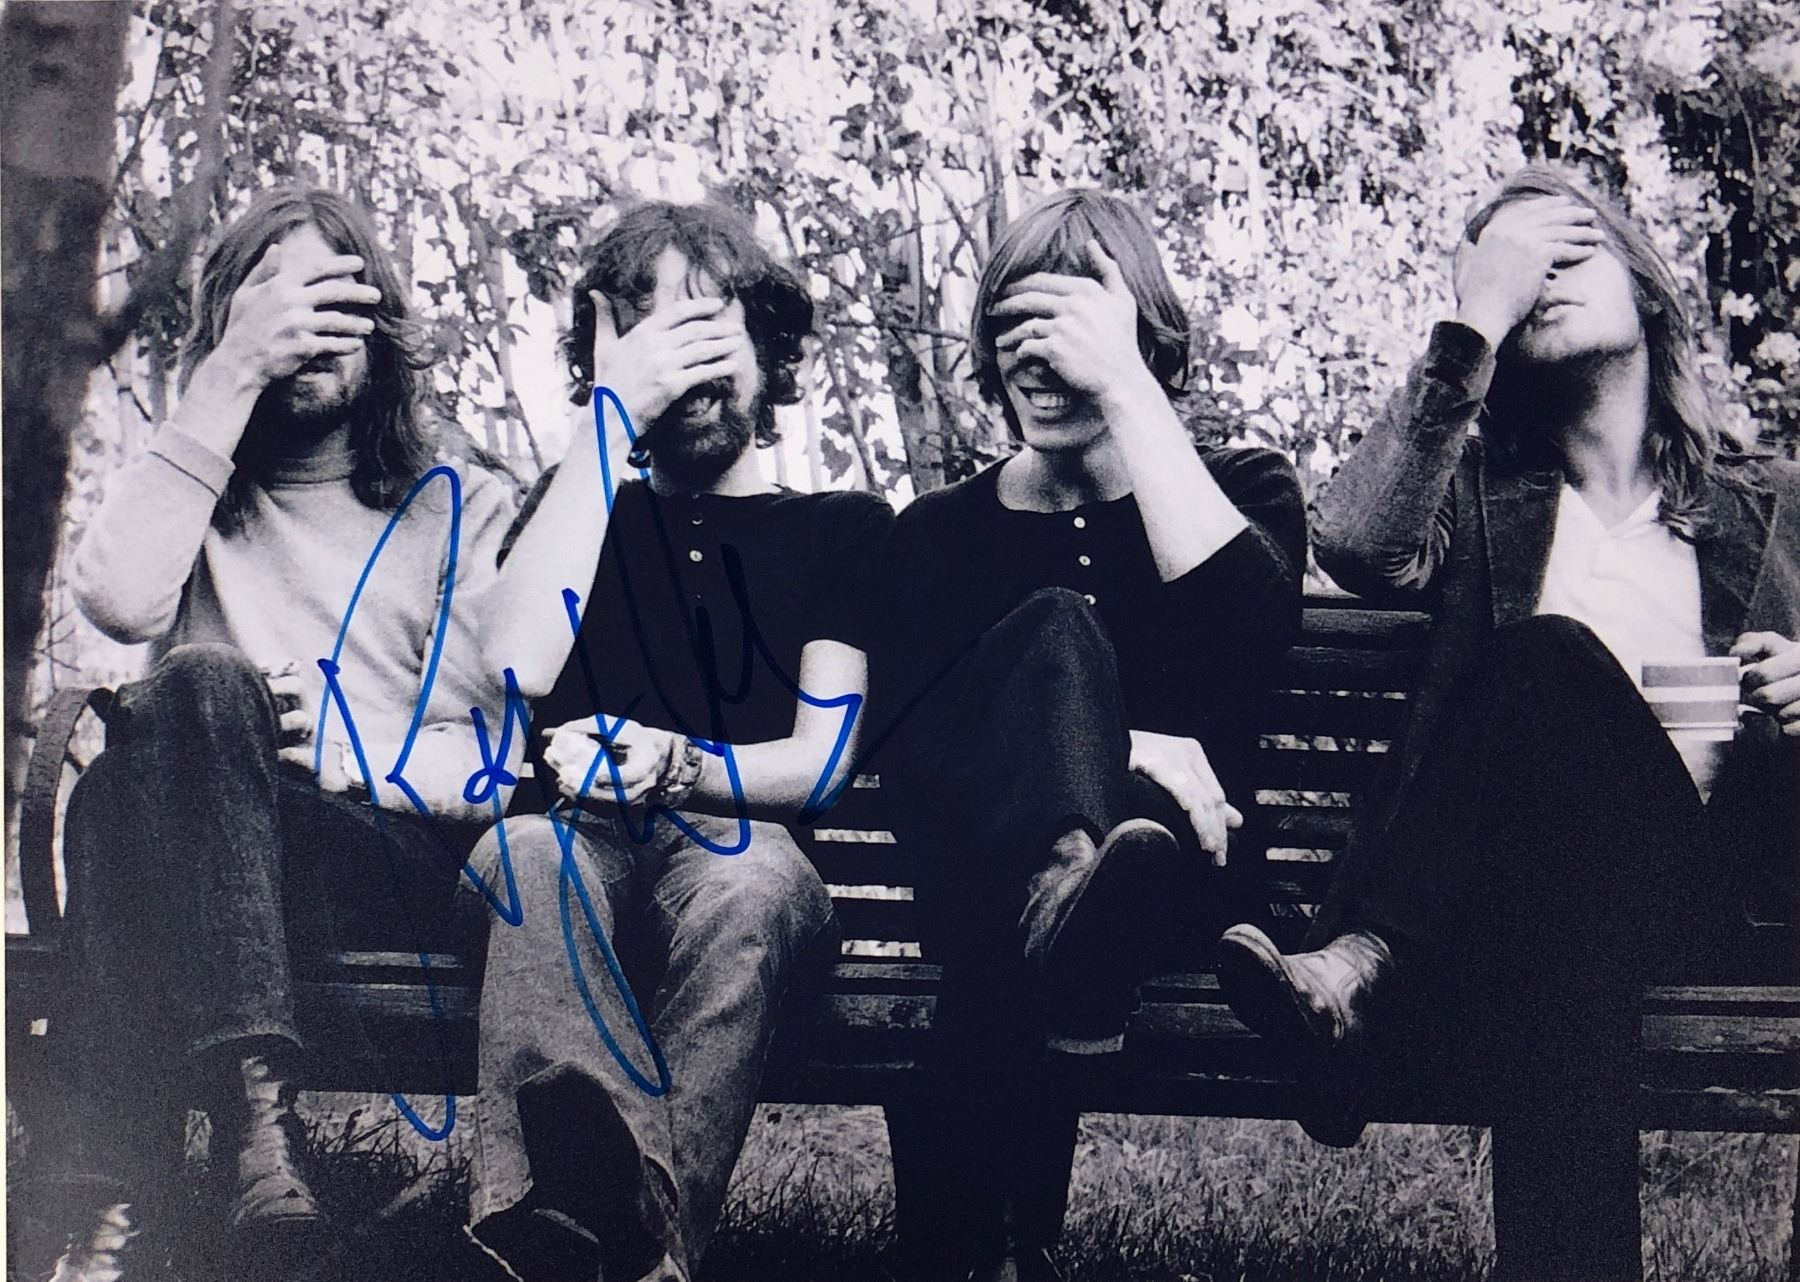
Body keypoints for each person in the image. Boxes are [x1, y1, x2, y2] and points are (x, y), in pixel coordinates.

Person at [1215, 165, 1800, 1282]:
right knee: (1560, 918)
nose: (1540, 282)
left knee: (1545, 659)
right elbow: (1360, 545)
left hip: (1734, 891)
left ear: (1647, 287)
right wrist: (1471, 325)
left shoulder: (1774, 499)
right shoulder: (1482, 499)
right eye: (1511, 273)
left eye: (1566, 253)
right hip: (1539, 894)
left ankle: (1369, 959)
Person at [52, 188, 518, 1279]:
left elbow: (491, 760)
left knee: (147, 760)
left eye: (332, 301)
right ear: (233, 329)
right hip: (209, 862)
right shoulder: (194, 488)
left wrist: (334, 756)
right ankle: (259, 1139)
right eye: (274, 303)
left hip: (378, 854)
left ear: (382, 326)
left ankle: (115, 1198)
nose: (304, 330)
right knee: (167, 734)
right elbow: (118, 600)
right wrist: (224, 380)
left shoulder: (459, 501)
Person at [866, 188, 1306, 1282]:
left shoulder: (1238, 490)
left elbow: (1252, 642)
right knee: (1056, 633)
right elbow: (915, 763)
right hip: (993, 881)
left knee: (1119, 857)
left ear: (1143, 339)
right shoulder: (940, 533)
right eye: (1018, 328)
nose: (1042, 356)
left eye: (1077, 329)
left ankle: (972, 1245)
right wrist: (1121, 747)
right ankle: (1069, 898)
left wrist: (1127, 388)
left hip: (1185, 882)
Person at [464, 200, 892, 1282]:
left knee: (750, 879)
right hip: (574, 851)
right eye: (652, 335)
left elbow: (822, 763)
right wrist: (614, 417)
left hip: (743, 858)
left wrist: (680, 763)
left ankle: (608, 1245)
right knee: (529, 851)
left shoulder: (840, 529)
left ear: (769, 350)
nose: (685, 368)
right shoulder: (573, 512)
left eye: (709, 330)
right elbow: (516, 662)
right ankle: (583, 1234)